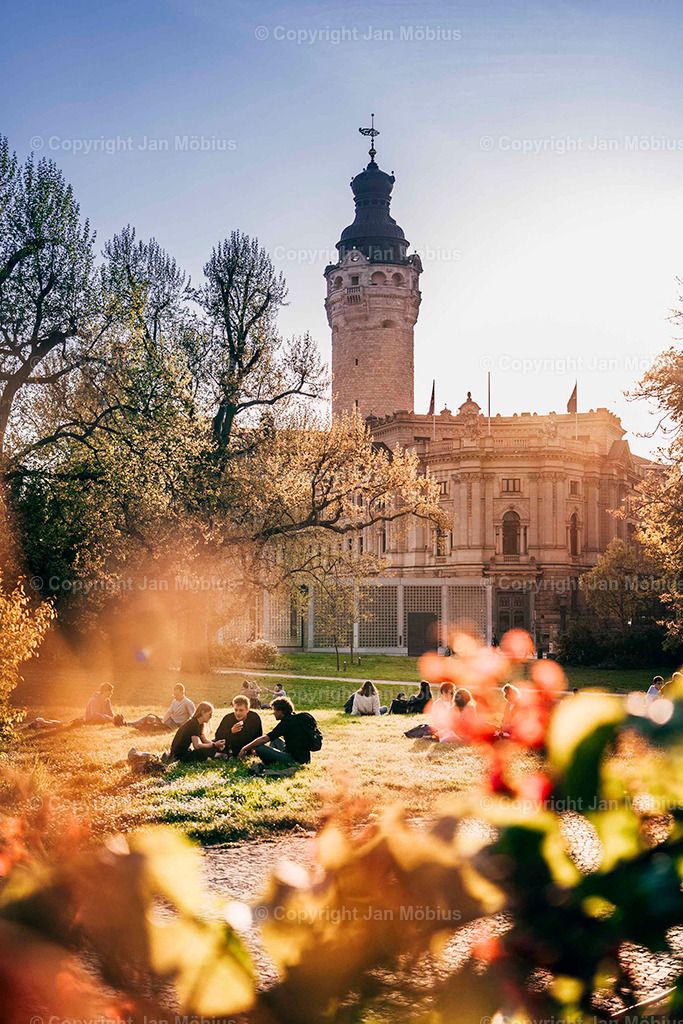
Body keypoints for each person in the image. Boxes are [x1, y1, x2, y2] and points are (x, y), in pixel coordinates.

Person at [238, 697, 319, 770]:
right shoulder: (295, 718)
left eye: (274, 710)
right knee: (275, 740)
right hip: (305, 758)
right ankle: (271, 758)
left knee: (259, 747)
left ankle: (271, 761)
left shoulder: (286, 723)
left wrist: (245, 748)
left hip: (294, 760)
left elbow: (265, 739)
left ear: (281, 711)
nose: (273, 713)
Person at [131, 683, 196, 732]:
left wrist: (183, 727)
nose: (175, 696)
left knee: (153, 724)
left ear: (182, 692)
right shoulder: (174, 701)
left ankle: (139, 726)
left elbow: (193, 717)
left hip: (175, 724)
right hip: (170, 720)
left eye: (176, 695)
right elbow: (169, 713)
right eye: (174, 695)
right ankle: (128, 724)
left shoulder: (188, 703)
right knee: (150, 718)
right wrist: (162, 721)